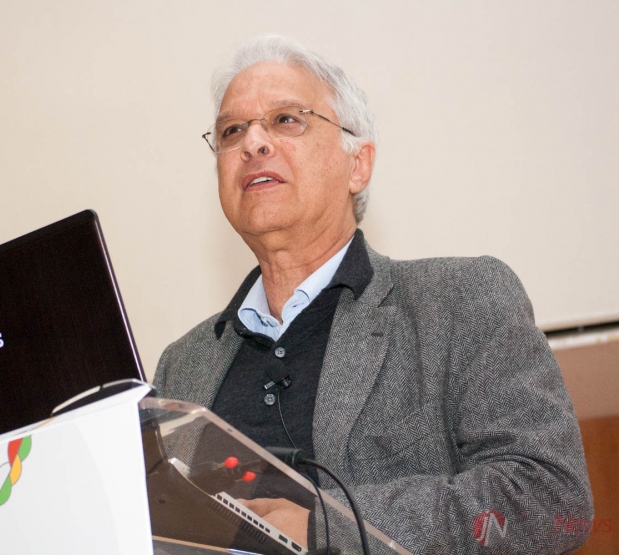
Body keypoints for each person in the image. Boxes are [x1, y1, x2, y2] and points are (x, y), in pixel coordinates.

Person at [152, 35, 593, 554]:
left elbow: (551, 499)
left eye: (286, 119)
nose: (252, 143)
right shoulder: (182, 367)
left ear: (357, 164)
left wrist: (325, 526)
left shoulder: (459, 302)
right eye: (232, 130)